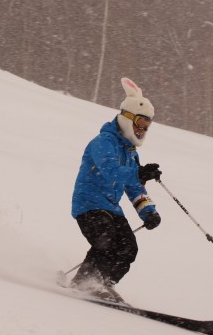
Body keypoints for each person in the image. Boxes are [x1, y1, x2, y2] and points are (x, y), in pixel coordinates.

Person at [70, 77, 163, 303]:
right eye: (140, 122)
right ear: (126, 118)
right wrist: (138, 173)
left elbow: (133, 186)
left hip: (112, 208)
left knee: (128, 248)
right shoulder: (103, 142)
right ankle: (85, 283)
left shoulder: (131, 152)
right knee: (106, 240)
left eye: (147, 125)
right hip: (89, 205)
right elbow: (111, 170)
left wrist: (148, 211)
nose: (142, 129)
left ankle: (101, 284)